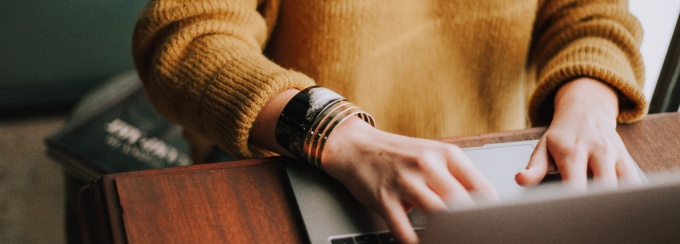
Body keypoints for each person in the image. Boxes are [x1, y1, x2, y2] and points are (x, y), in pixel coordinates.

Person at [132, 1, 647, 243]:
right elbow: (185, 38)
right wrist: (337, 132)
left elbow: (592, 15)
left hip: (489, 183)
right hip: (300, 173)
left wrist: (590, 100)